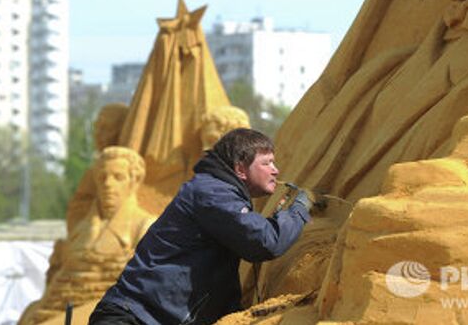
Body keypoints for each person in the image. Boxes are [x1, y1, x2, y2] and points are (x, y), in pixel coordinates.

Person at [89, 128, 311, 325]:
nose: (275, 170)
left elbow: (220, 287)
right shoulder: (213, 193)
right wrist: (300, 209)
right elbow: (264, 241)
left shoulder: (218, 193)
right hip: (132, 318)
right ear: (241, 169)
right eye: (266, 163)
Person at [20, 146, 154, 325]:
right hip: (59, 308)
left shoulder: (145, 227)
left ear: (134, 181)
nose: (108, 184)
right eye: (102, 177)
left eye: (118, 177)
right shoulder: (81, 230)